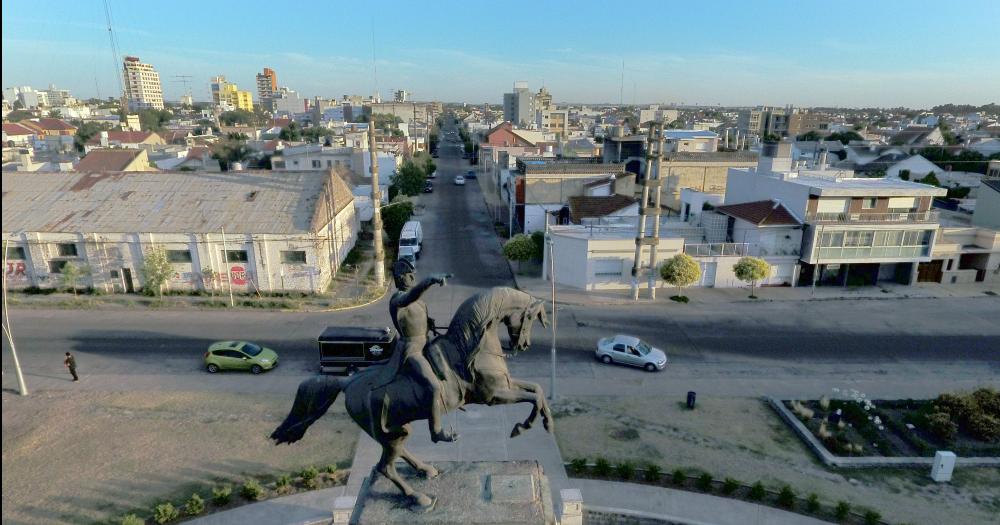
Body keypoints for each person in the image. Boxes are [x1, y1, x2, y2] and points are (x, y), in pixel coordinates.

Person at [388, 259, 458, 443]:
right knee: (434, 386)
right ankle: (436, 431)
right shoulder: (398, 299)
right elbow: (409, 298)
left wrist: (429, 323)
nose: (412, 277)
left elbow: (420, 317)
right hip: (412, 350)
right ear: (399, 278)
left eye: (413, 275)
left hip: (426, 343)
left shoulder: (418, 301)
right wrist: (429, 281)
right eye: (408, 275)